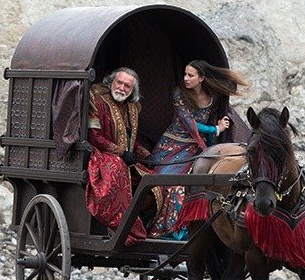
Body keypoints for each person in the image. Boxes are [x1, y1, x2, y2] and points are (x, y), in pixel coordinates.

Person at [147, 59, 250, 239]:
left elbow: (208, 126)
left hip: (196, 148)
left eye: (190, 75)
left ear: (201, 78)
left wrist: (214, 141)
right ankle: (172, 230)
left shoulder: (213, 98)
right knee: (171, 184)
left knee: (199, 184)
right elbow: (189, 124)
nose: (186, 78)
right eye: (185, 74)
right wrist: (216, 129)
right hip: (172, 146)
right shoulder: (178, 94)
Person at [85, 67, 151, 245]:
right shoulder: (97, 100)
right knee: (117, 168)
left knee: (155, 182)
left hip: (127, 158)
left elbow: (132, 139)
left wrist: (146, 154)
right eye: (119, 83)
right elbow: (94, 136)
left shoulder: (133, 108)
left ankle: (147, 226)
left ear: (132, 91)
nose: (121, 88)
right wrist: (121, 152)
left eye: (127, 86)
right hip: (103, 155)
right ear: (112, 82)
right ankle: (122, 229)